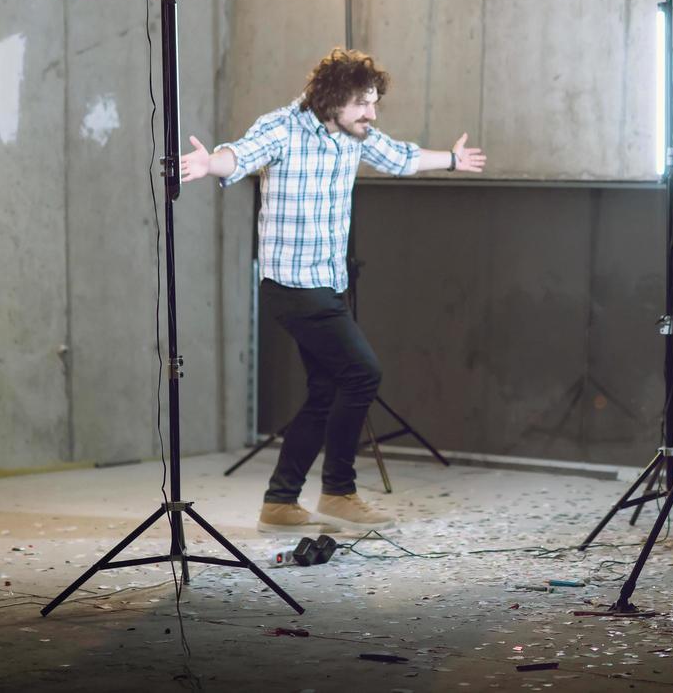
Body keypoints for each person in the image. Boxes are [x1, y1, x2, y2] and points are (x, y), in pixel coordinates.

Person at [180, 48, 486, 531]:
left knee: (326, 391)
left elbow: (400, 156)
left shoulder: (354, 135)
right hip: (293, 285)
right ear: (332, 98)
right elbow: (240, 154)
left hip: (328, 282)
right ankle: (338, 492)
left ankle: (279, 503)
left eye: (374, 103)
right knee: (362, 374)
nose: (372, 114)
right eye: (363, 103)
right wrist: (209, 163)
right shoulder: (283, 126)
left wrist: (451, 158)